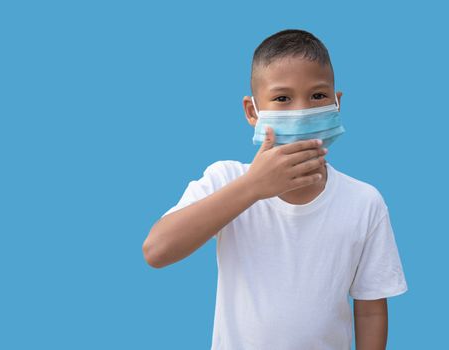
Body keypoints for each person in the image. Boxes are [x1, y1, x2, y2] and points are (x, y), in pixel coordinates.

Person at [143, 29, 408, 350]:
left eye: (318, 96)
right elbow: (157, 251)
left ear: (337, 103)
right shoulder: (226, 178)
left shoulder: (365, 202)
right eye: (282, 98)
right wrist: (253, 187)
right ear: (252, 111)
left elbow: (370, 309)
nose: (301, 110)